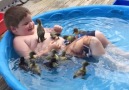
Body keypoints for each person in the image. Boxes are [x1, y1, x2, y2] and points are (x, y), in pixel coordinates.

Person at [4, 6, 109, 59]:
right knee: (93, 41)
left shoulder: (35, 27)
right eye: (26, 24)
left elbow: (50, 33)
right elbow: (29, 59)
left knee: (97, 34)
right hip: (63, 52)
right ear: (14, 29)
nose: (31, 24)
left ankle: (119, 53)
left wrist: (56, 30)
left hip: (67, 43)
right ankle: (111, 64)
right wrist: (47, 50)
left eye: (31, 20)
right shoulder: (19, 41)